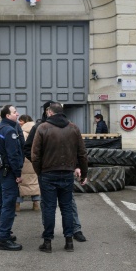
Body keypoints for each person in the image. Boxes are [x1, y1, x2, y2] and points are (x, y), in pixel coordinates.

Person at [24, 100, 87, 242]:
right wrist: (40, 168)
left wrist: (76, 166)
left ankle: (69, 232)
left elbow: (74, 150)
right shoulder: (40, 127)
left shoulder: (68, 127)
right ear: (47, 111)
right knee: (56, 205)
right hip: (53, 171)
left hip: (52, 172)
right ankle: (62, 236)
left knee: (58, 205)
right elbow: (29, 150)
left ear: (50, 112)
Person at [0, 104, 24, 251]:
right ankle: (4, 239)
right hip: (8, 172)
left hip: (1, 171)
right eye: (14, 112)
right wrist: (18, 174)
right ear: (7, 115)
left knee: (1, 203)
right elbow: (13, 155)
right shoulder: (9, 130)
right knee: (8, 205)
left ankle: (0, 233)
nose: (17, 114)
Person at [17, 115, 41, 211]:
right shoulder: (38, 131)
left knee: (21, 183)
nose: (19, 122)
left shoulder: (22, 133)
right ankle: (36, 203)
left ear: (25, 121)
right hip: (34, 161)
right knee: (34, 182)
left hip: (24, 161)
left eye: (21, 121)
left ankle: (17, 204)